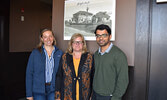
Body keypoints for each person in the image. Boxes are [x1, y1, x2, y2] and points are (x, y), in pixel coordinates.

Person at [92, 24, 129, 100]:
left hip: (110, 97)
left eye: (104, 35)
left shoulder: (119, 55)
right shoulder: (96, 54)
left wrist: (115, 98)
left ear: (110, 36)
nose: (101, 38)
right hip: (95, 95)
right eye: (98, 35)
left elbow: (123, 80)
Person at [26, 28, 63, 100]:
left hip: (54, 90)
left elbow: (62, 74)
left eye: (50, 36)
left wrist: (59, 92)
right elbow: (29, 74)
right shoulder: (35, 53)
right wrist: (29, 94)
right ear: (42, 39)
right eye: (45, 37)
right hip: (38, 91)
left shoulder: (60, 53)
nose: (48, 39)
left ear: (53, 37)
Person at [55, 33, 94, 100]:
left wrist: (92, 95)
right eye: (75, 42)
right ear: (71, 44)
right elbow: (59, 76)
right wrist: (57, 96)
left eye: (79, 42)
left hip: (84, 95)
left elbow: (93, 77)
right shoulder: (64, 57)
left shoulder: (89, 57)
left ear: (83, 44)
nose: (77, 44)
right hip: (67, 95)